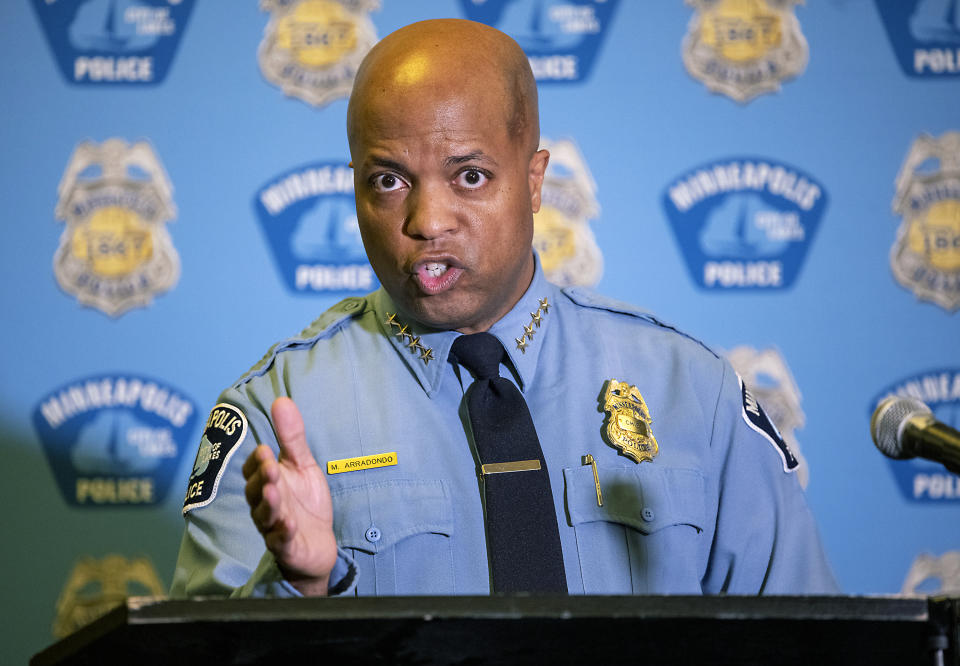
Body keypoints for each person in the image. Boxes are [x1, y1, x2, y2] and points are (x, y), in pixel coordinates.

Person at [170, 19, 837, 598]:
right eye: (389, 180)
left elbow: (814, 646)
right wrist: (300, 586)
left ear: (535, 179)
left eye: (469, 175)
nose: (428, 220)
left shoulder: (693, 390)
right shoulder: (274, 418)